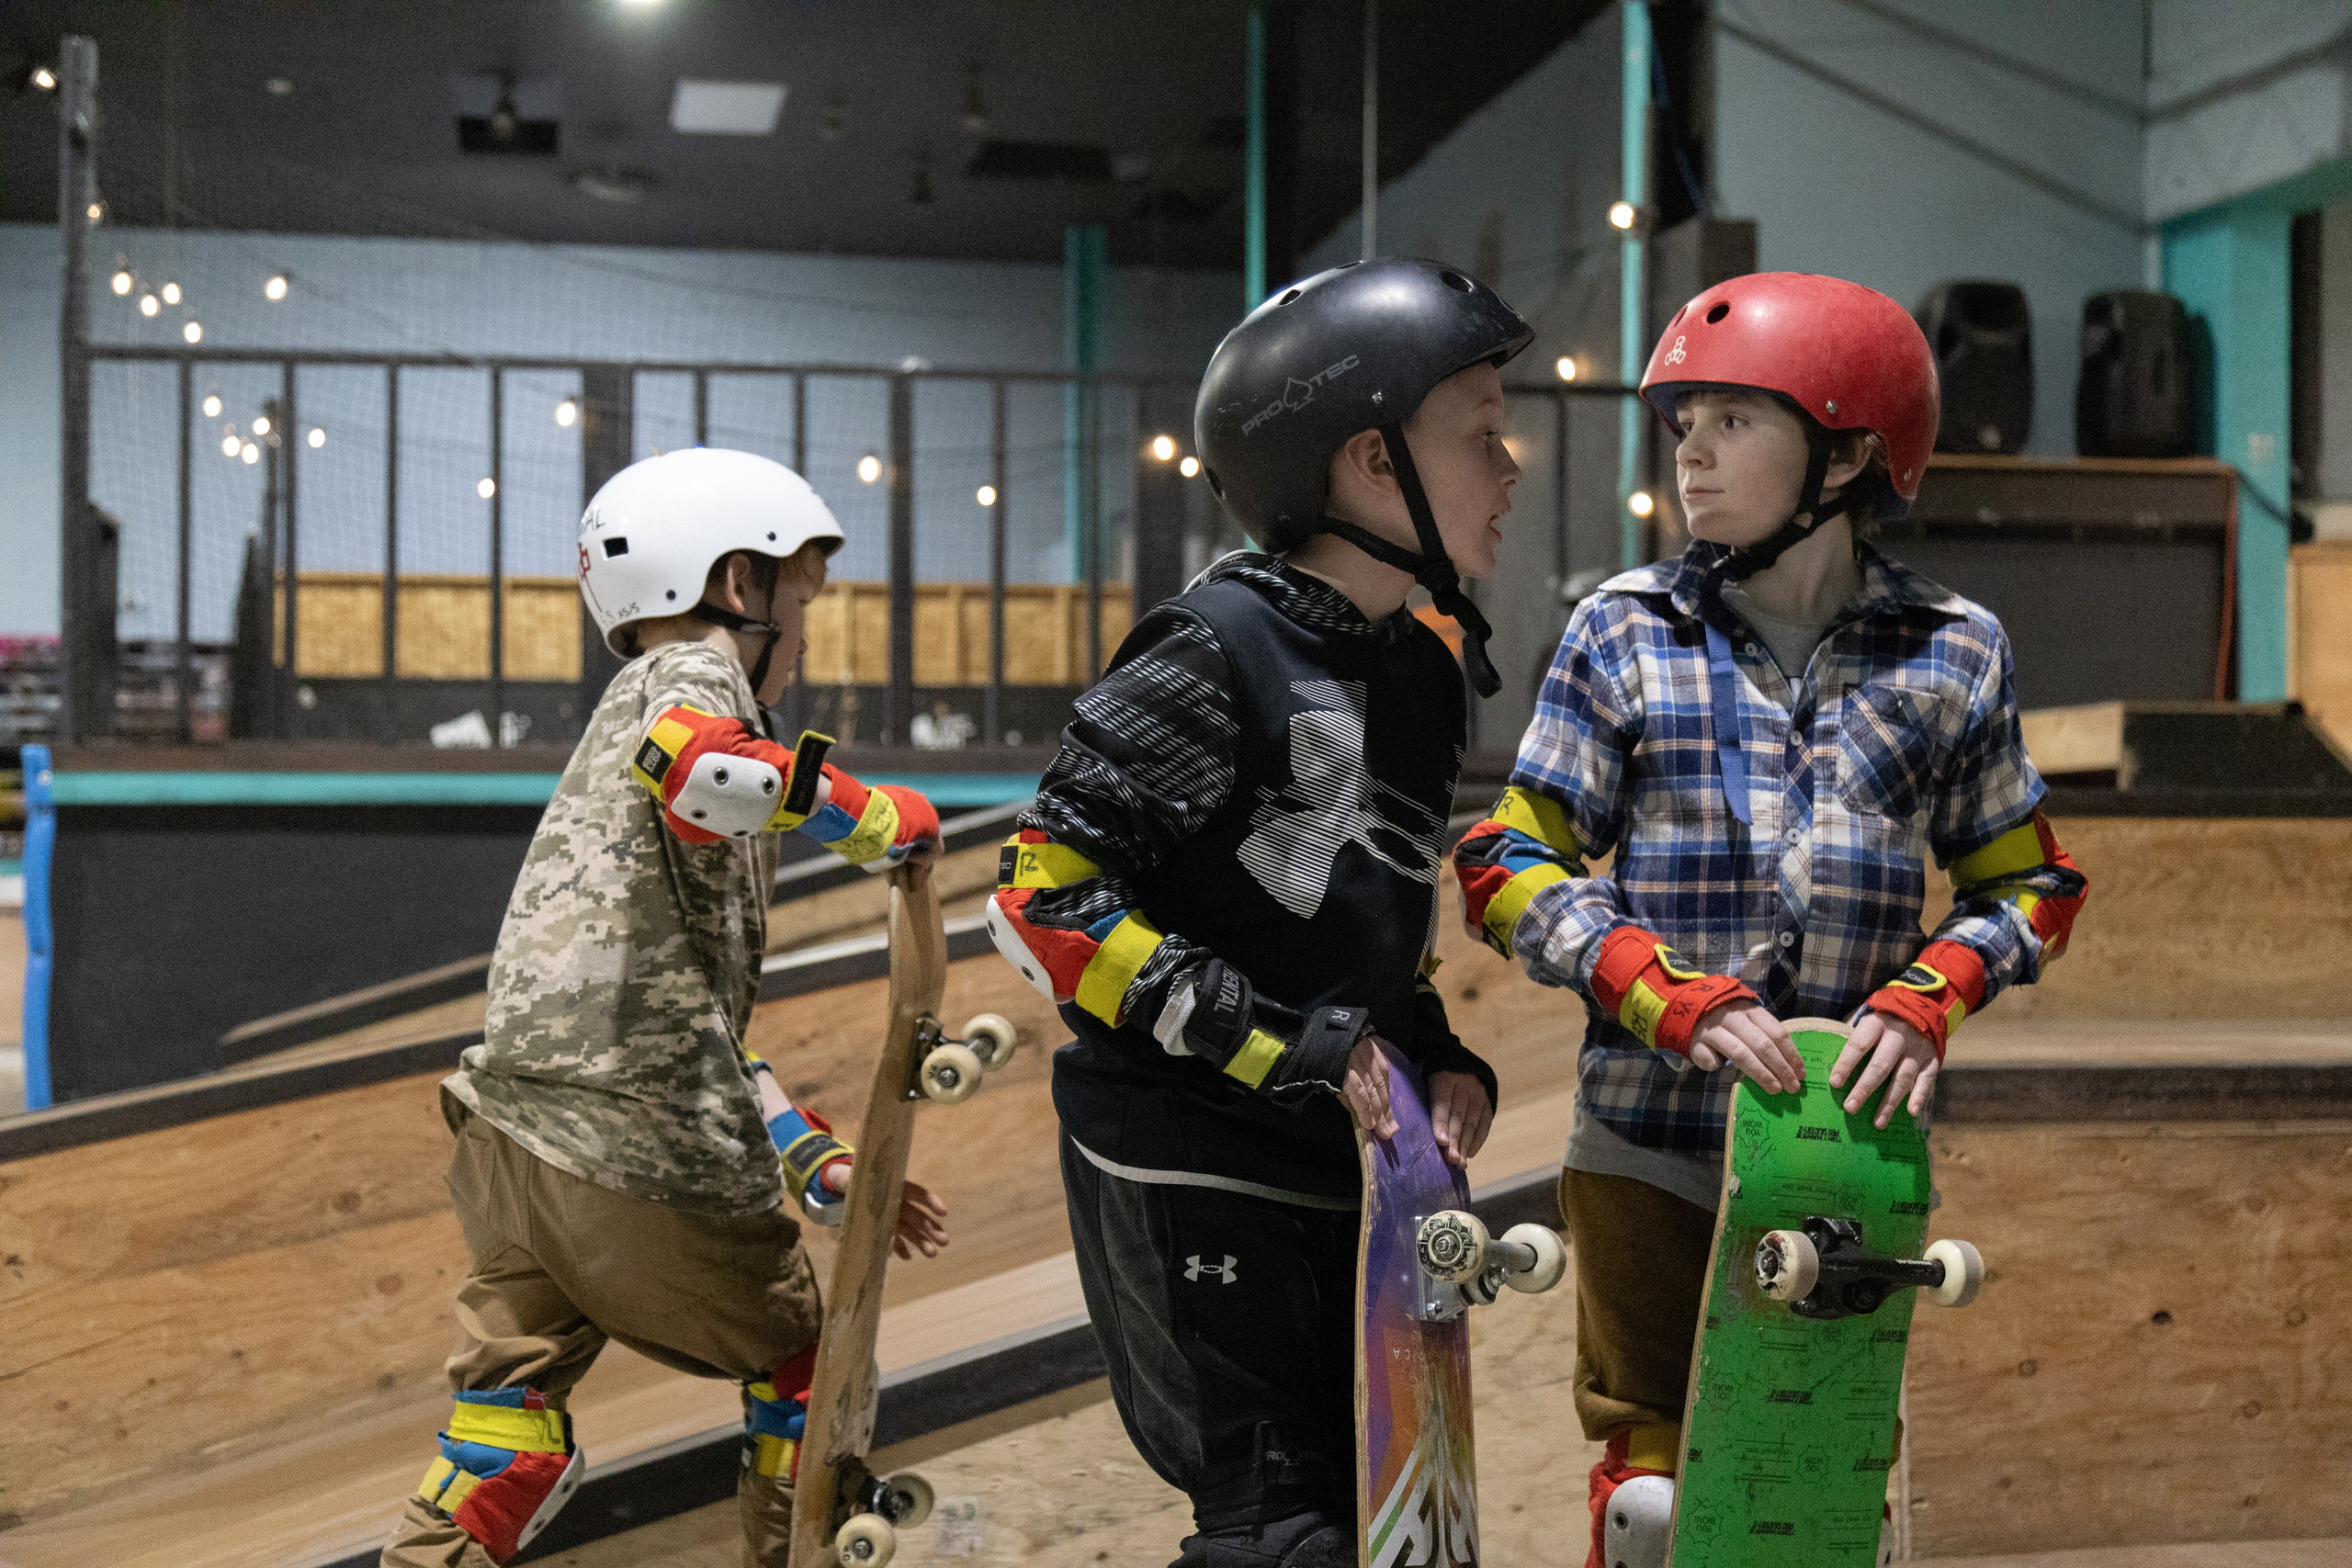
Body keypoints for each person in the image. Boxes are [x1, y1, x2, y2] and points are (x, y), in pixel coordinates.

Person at [1450, 273, 2089, 1568]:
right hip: (1642, 1127)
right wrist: (1650, 983)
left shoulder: (1955, 649)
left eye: (1738, 417)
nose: (1690, 446)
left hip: (1837, 1144)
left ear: (1851, 453)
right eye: (1687, 414)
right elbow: (1508, 858)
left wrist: (1934, 993)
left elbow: (2032, 881)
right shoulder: (1622, 631)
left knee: (1820, 1472)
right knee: (1652, 1496)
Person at [983, 258, 1524, 1567]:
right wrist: (1294, 1043)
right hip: (1182, 1144)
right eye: (1479, 430)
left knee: (1361, 1519)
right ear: (1370, 461)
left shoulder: (1419, 672)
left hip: (1311, 1146)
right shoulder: (1216, 646)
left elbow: (1350, 919)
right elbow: (1039, 899)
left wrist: (1433, 1049)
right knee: (1278, 1534)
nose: (1512, 464)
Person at [380, 447, 947, 1568]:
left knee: (505, 1432)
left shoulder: (613, 733)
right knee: (805, 1371)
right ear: (739, 584)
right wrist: (871, 817)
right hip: (626, 1144)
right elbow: (702, 769)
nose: (805, 626)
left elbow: (689, 1023)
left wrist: (805, 1154)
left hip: (509, 1140)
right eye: (801, 595)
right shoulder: (689, 675)